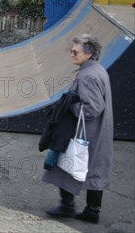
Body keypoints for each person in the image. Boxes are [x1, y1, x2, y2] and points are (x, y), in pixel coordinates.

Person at [43, 34, 113, 224]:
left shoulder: (87, 76)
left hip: (85, 132)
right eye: (71, 51)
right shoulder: (98, 69)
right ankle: (92, 211)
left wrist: (68, 106)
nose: (72, 54)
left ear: (89, 54)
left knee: (66, 165)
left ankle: (67, 206)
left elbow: (92, 108)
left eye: (75, 51)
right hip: (99, 132)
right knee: (95, 170)